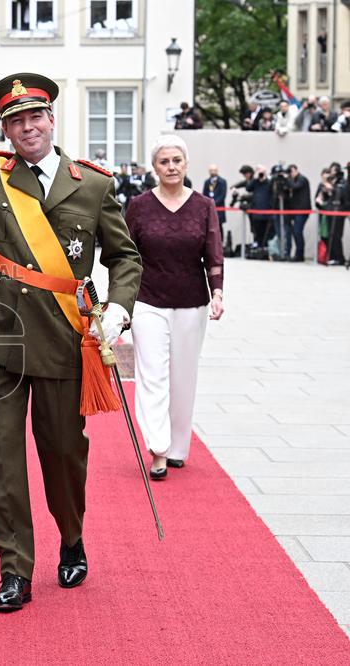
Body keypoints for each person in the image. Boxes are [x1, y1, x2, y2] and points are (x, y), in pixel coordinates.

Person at [0, 37, 142, 611]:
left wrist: (118, 307)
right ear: (5, 130)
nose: (27, 128)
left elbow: (125, 257)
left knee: (65, 451)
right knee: (2, 454)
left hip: (66, 335)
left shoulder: (92, 183)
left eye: (35, 116)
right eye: (15, 121)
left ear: (51, 118)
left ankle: (71, 536)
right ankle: (14, 566)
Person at [125, 135, 224, 478]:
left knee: (184, 377)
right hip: (147, 300)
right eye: (164, 161)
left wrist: (218, 293)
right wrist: (121, 302)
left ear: (186, 164)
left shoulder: (203, 205)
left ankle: (179, 446)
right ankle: (159, 449)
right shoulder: (138, 206)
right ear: (154, 167)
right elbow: (126, 257)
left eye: (176, 161)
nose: (171, 167)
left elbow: (213, 254)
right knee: (152, 375)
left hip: (191, 302)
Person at [283, 164, 312, 262]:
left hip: (302, 210)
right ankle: (298, 254)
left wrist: (286, 179)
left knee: (297, 231)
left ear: (296, 170)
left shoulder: (302, 179)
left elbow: (295, 187)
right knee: (295, 232)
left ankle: (299, 254)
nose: (290, 174)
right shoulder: (292, 180)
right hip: (295, 210)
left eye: (291, 172)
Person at [202, 164, 227, 233]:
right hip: (209, 208)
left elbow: (222, 195)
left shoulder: (222, 181)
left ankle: (220, 243)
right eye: (211, 170)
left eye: (214, 170)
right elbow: (204, 194)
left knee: (219, 226)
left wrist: (213, 203)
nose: (212, 172)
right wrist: (207, 204)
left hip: (218, 207)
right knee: (209, 226)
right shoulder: (207, 182)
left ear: (217, 171)